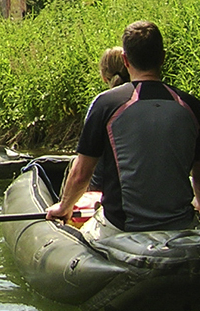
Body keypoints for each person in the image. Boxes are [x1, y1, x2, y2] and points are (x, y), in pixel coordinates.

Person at [46, 21, 200, 239]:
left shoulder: (106, 104)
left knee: (77, 234)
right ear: (163, 58)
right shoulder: (191, 105)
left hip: (121, 227)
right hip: (182, 226)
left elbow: (81, 173)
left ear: (126, 60)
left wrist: (63, 207)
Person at [89, 46, 131, 190]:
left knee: (74, 165)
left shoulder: (101, 104)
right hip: (135, 184)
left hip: (103, 185)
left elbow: (88, 160)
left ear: (103, 77)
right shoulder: (143, 100)